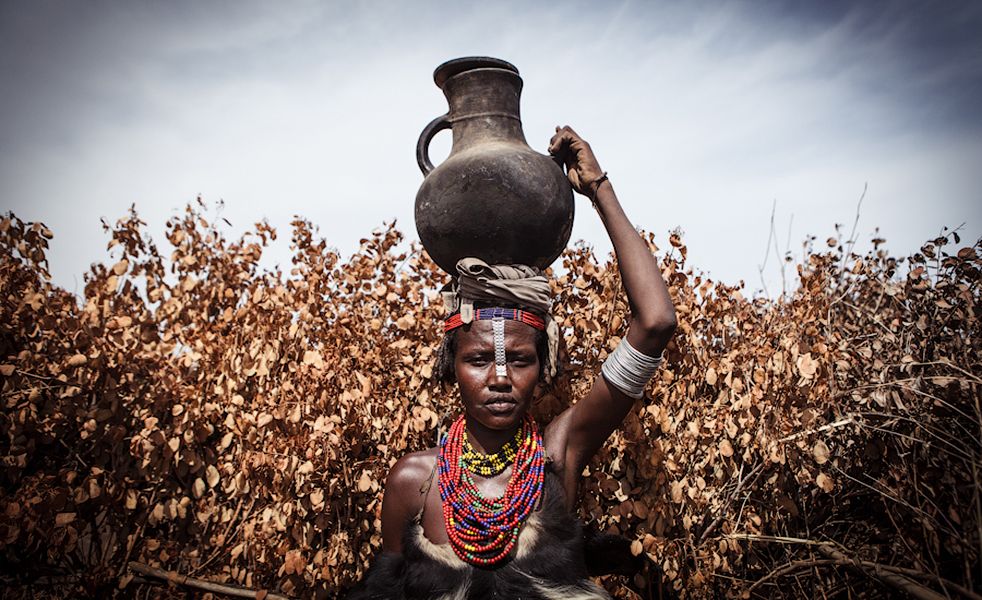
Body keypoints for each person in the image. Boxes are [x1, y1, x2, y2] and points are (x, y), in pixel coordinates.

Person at [349, 126, 677, 599]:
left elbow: (656, 322)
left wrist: (598, 190)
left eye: (520, 359)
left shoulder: (555, 459)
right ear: (451, 365)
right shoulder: (413, 484)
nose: (500, 376)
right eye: (480, 358)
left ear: (542, 368)